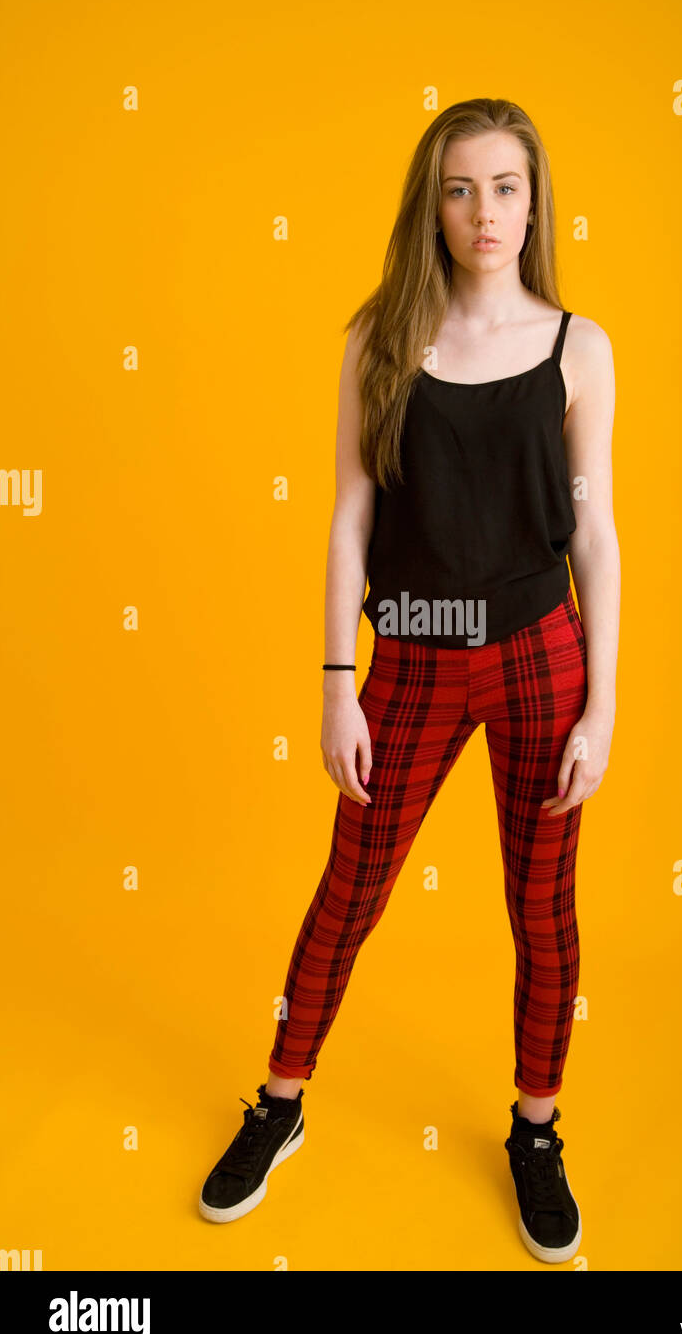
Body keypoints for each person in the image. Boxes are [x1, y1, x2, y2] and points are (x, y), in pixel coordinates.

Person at [199, 97, 619, 1265]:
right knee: (349, 890)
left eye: (504, 186)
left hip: (543, 654)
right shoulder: (378, 338)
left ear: (533, 201)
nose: (483, 211)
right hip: (413, 654)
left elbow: (596, 537)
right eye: (458, 188)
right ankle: (278, 1105)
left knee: (541, 911)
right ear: (428, 206)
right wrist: (338, 680)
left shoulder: (578, 347)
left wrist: (604, 700)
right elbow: (346, 522)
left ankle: (533, 1131)